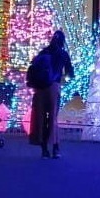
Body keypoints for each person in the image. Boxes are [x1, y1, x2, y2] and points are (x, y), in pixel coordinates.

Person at [28, 30, 75, 160]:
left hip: (39, 89)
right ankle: (55, 147)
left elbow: (33, 68)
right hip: (53, 87)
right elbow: (70, 73)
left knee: (40, 117)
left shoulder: (43, 53)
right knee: (53, 118)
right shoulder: (63, 54)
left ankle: (44, 149)